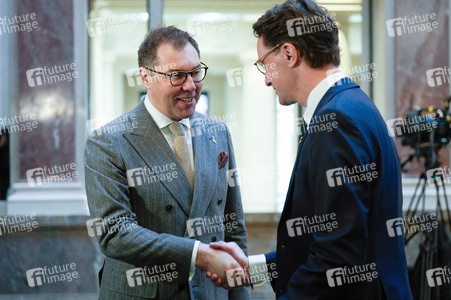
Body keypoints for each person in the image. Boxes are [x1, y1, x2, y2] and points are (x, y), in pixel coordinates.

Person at [207, 1, 413, 299]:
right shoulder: (353, 105)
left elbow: (337, 257)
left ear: (289, 53)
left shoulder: (338, 121)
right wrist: (252, 269)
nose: (266, 79)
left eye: (264, 63)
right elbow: (327, 242)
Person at [84, 26, 250, 300]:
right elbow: (114, 233)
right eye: (176, 75)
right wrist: (200, 255)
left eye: (196, 72)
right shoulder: (108, 141)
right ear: (145, 77)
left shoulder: (217, 132)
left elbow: (233, 227)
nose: (190, 86)